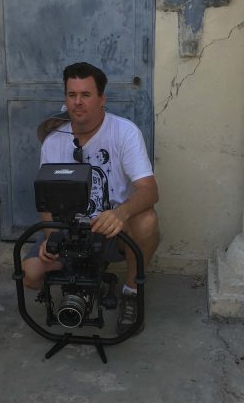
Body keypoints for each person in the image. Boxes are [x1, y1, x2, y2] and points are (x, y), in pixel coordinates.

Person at [22, 62, 160, 332]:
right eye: (72, 95)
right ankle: (79, 281)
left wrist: (120, 213)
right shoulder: (53, 141)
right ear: (65, 98)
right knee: (30, 275)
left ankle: (131, 292)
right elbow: (46, 200)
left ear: (101, 99)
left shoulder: (124, 132)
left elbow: (150, 190)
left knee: (147, 221)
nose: (78, 102)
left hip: (112, 230)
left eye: (85, 94)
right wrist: (52, 238)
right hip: (70, 231)